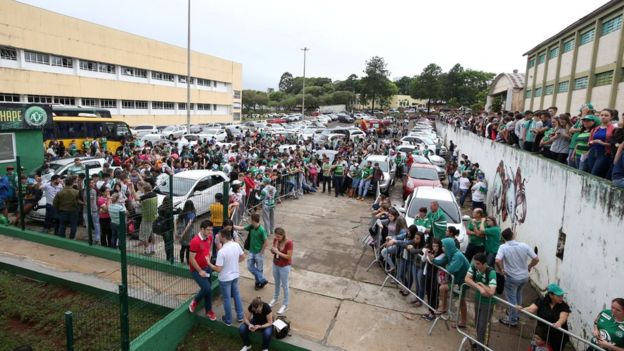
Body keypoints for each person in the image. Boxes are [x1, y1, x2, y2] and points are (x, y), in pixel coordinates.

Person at [497, 228, 539, 327]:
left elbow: (497, 260)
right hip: (524, 277)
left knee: (512, 299)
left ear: (504, 238)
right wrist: (529, 266)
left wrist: (501, 270)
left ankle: (513, 320)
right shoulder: (524, 245)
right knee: (518, 295)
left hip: (512, 278)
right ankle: (515, 314)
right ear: (513, 235)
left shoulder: (503, 247)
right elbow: (536, 259)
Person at [207, 229, 246, 326]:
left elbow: (218, 269)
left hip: (225, 278)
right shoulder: (236, 245)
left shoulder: (222, 252)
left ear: (223, 237)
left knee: (227, 299)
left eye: (219, 236)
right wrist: (234, 262)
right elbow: (243, 257)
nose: (218, 237)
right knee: (236, 295)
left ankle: (228, 320)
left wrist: (209, 263)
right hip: (235, 275)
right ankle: (240, 316)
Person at [432, 237, 470, 328]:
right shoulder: (449, 253)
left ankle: (462, 320)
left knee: (460, 300)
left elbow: (451, 269)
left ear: (448, 246)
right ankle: (444, 308)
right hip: (457, 280)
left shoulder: (457, 255)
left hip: (462, 281)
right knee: (459, 299)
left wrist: (447, 265)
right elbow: (441, 262)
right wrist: (432, 259)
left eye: (444, 246)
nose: (442, 248)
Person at [520, 283, 571, 351]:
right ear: (551, 295)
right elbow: (531, 309)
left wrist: (559, 322)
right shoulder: (542, 300)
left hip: (557, 336)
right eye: (559, 296)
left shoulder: (563, 305)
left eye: (562, 295)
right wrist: (522, 309)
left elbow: (564, 316)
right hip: (543, 334)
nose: (561, 297)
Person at [465, 252, 497, 351]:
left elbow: (491, 291)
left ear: (484, 264)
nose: (475, 265)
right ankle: (479, 343)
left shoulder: (491, 272)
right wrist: (479, 287)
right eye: (475, 263)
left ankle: (481, 347)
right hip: (478, 299)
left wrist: (483, 285)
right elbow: (467, 279)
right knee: (477, 324)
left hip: (488, 303)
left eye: (478, 264)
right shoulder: (475, 267)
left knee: (483, 327)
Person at [188, 220, 216, 321]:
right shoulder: (195, 241)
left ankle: (209, 311)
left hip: (207, 267)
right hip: (196, 270)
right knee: (207, 288)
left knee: (208, 290)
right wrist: (200, 271)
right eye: (208, 230)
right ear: (202, 229)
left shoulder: (210, 237)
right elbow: (191, 259)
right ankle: (195, 302)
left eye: (211, 230)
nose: (210, 232)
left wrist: (209, 256)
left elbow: (209, 249)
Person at [235, 213, 269, 290]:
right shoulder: (251, 227)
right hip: (251, 251)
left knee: (259, 269)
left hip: (258, 253)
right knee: (250, 267)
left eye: (251, 220)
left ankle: (258, 283)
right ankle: (262, 280)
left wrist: (261, 251)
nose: (250, 222)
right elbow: (241, 228)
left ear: (253, 221)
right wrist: (232, 226)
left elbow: (266, 241)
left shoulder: (261, 230)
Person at [269, 227, 293, 315]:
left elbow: (289, 257)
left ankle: (285, 304)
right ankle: (275, 298)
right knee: (277, 283)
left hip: (284, 266)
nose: (277, 238)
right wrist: (273, 250)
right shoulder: (276, 240)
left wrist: (278, 252)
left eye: (279, 236)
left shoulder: (289, 243)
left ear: (283, 235)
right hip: (276, 264)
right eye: (276, 236)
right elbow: (274, 251)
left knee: (285, 285)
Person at [139, 183, 158, 255]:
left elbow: (136, 198)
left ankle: (147, 251)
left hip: (146, 218)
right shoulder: (154, 194)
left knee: (144, 235)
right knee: (151, 233)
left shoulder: (145, 196)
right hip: (153, 217)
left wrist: (131, 187)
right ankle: (152, 249)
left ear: (144, 189)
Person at [177, 200, 197, 264]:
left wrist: (178, 233)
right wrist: (184, 233)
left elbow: (176, 221)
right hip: (189, 233)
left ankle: (182, 261)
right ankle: (188, 262)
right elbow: (189, 224)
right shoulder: (192, 213)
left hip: (182, 232)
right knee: (188, 248)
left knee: (183, 247)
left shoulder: (182, 213)